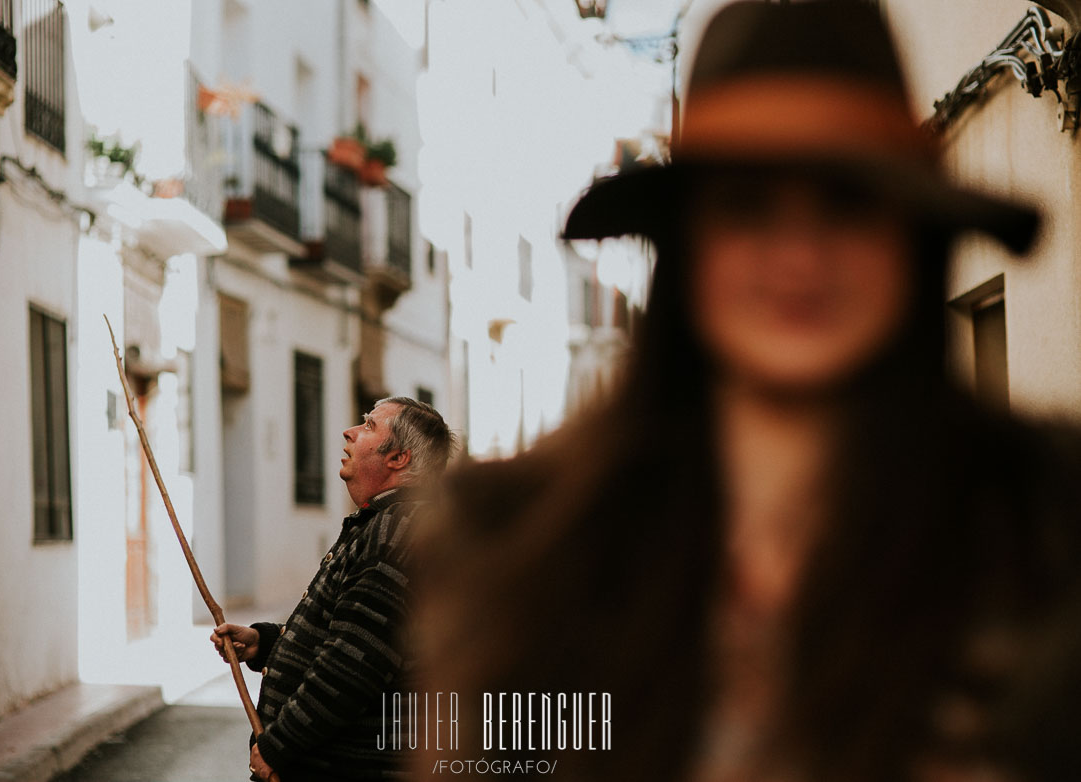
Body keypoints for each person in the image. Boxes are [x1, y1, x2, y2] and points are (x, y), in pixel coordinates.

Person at [412, 3, 1081, 782]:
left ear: (911, 235)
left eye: (845, 200)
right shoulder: (517, 546)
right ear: (685, 244)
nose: (798, 258)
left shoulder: (1048, 527)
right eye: (746, 207)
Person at [213, 397, 455, 782]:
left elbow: (353, 667)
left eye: (369, 426)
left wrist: (280, 745)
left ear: (398, 458)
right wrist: (268, 642)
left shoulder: (395, 534)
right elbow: (358, 637)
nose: (350, 431)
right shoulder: (386, 524)